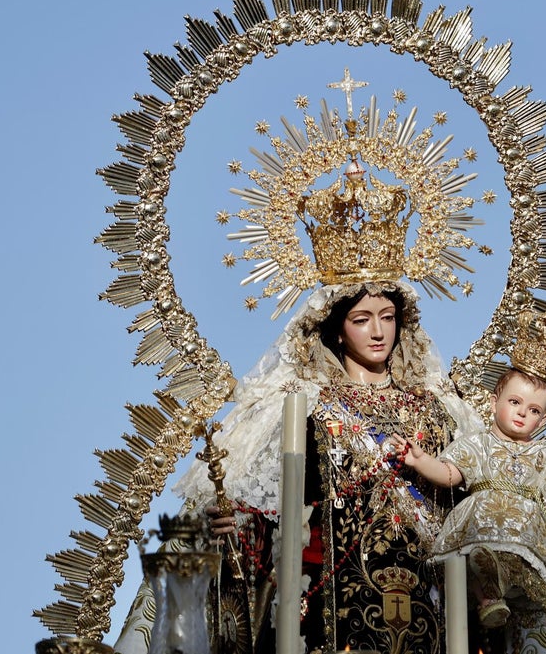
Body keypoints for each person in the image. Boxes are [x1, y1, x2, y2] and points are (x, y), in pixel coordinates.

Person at [114, 280, 484, 654]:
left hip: (434, 603)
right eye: (361, 320)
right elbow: (274, 506)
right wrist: (233, 523)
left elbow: (473, 497)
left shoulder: (441, 409)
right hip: (326, 612)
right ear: (337, 331)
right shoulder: (305, 407)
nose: (378, 332)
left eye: (388, 317)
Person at [398, 367, 546, 632]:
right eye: (515, 402)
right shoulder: (477, 444)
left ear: (543, 419)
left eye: (534, 410)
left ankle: (501, 592)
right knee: (469, 558)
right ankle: (487, 598)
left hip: (523, 530)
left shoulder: (543, 453)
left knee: (516, 563)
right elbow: (449, 475)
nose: (523, 413)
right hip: (480, 521)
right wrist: (421, 461)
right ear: (494, 402)